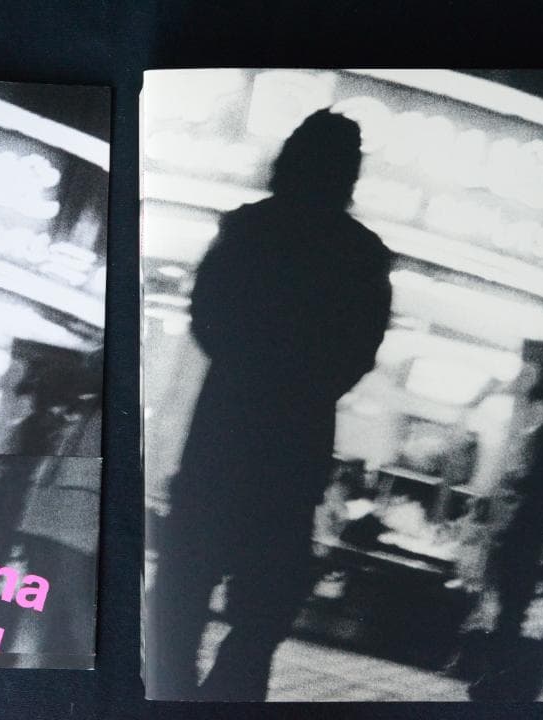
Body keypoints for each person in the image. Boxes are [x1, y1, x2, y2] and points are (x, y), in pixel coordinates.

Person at [146, 109, 393, 700]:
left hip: (224, 429)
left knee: (182, 585)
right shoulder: (362, 255)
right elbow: (361, 349)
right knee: (266, 602)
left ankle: (170, 689)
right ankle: (230, 687)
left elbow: (205, 314)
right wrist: (308, 385)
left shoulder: (248, 227)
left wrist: (247, 367)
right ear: (350, 175)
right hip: (295, 444)